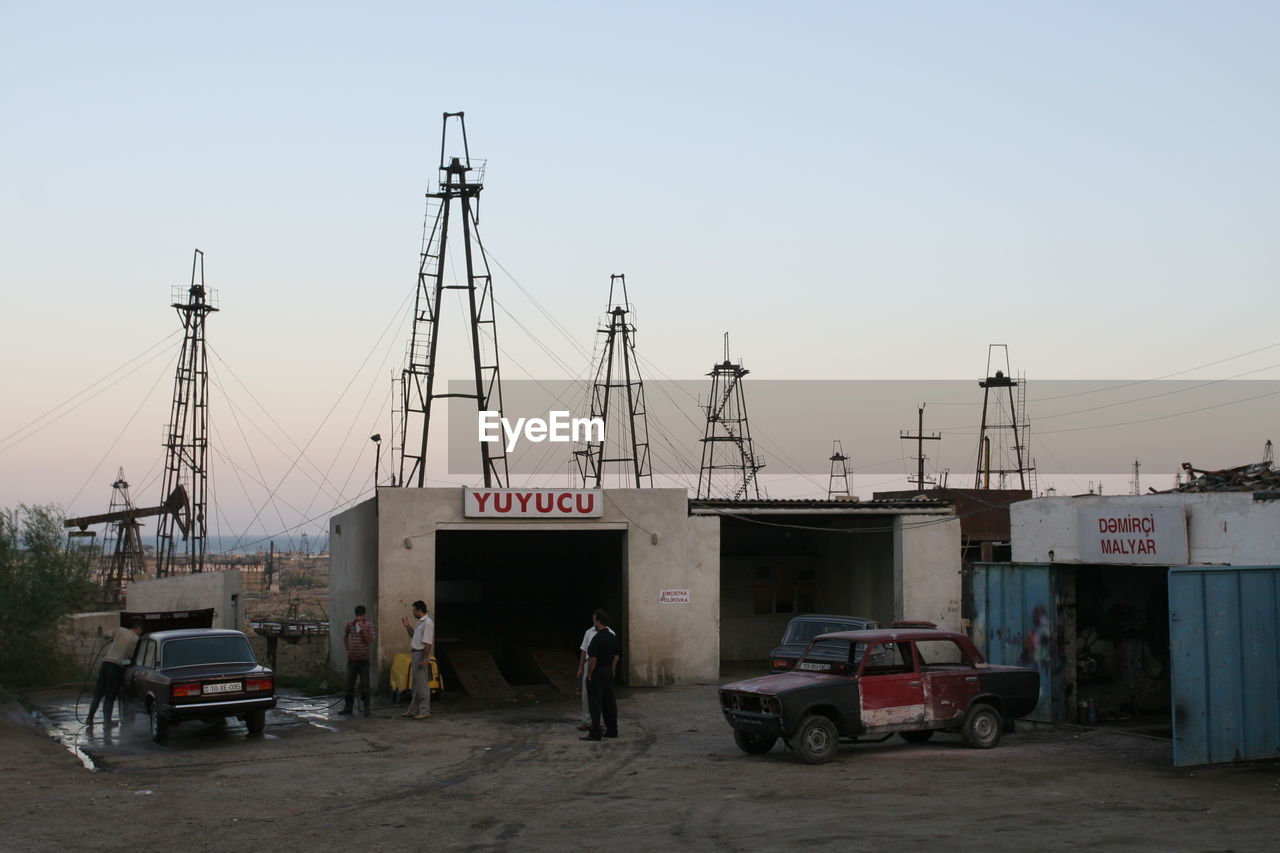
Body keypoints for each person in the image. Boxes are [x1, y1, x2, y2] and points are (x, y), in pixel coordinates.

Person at [86, 620, 142, 727]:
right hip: (116, 667)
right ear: (137, 628)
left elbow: (107, 634)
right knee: (110, 696)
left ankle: (89, 718)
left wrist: (114, 639)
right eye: (140, 631)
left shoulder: (119, 630)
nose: (140, 633)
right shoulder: (135, 639)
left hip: (105, 664)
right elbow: (130, 656)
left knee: (98, 693)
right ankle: (107, 722)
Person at [581, 608, 620, 741]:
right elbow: (616, 655)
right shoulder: (612, 636)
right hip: (608, 671)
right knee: (609, 702)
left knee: (595, 703)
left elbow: (593, 659)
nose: (594, 623)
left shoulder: (597, 638)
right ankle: (612, 730)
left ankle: (595, 732)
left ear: (598, 622)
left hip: (598, 672)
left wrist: (590, 674)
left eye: (595, 621)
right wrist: (613, 669)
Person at [340, 605, 377, 716]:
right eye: (357, 615)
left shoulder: (369, 625)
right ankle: (348, 708)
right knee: (349, 684)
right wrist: (347, 648)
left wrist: (363, 629)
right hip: (352, 660)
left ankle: (366, 708)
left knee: (365, 684)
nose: (359, 618)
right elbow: (346, 635)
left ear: (364, 615)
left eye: (361, 615)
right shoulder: (350, 625)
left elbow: (369, 640)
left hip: (364, 660)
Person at [401, 600, 433, 720]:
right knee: (416, 685)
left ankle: (425, 710)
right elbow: (414, 635)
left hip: (420, 654)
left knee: (422, 684)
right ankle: (412, 710)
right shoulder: (420, 622)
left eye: (414, 610)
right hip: (416, 654)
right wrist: (407, 626)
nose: (413, 613)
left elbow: (428, 644)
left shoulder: (427, 623)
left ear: (420, 610)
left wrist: (424, 659)